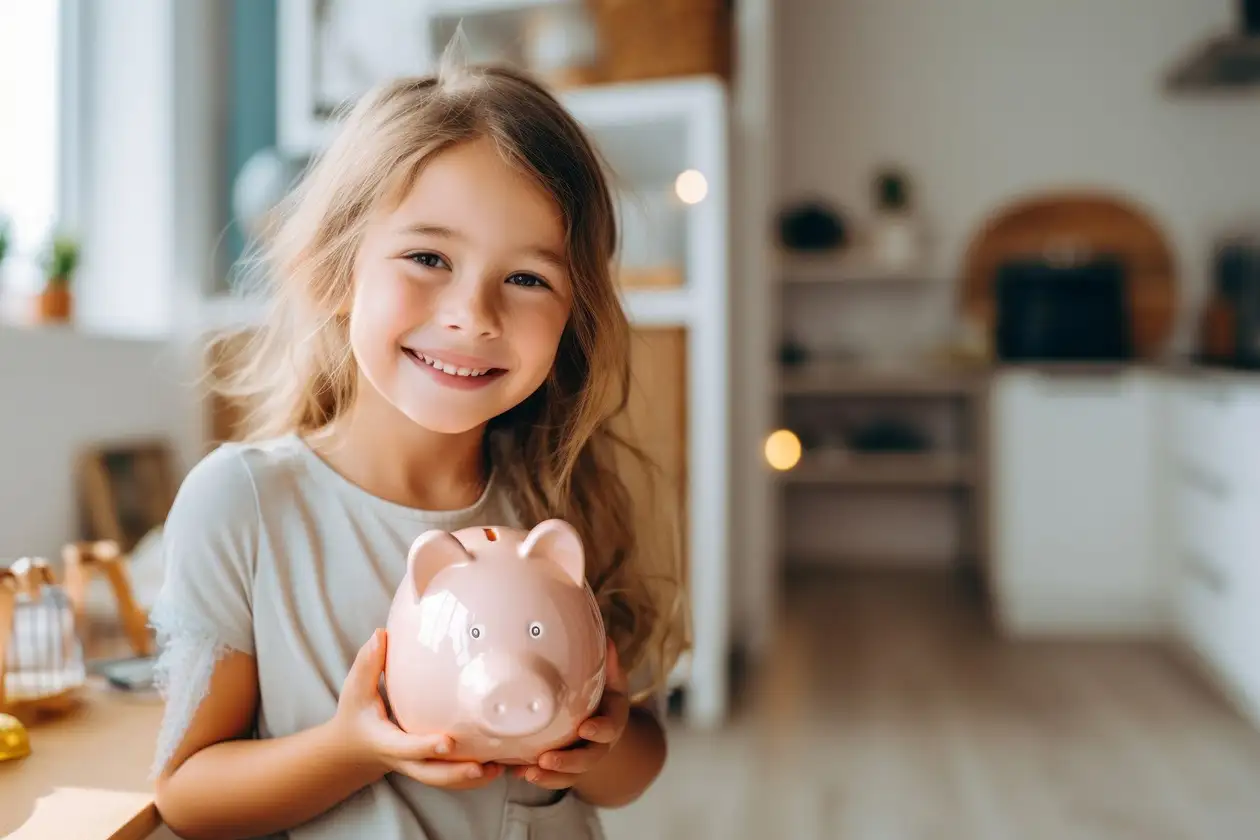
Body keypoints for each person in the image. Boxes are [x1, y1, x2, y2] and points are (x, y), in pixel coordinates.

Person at [147, 49, 687, 840]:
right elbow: (188, 796)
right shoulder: (245, 506)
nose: (473, 314)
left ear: (574, 315)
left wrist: (593, 735)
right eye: (428, 258)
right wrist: (352, 747)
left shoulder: (560, 496)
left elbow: (638, 766)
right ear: (333, 272)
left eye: (528, 278)